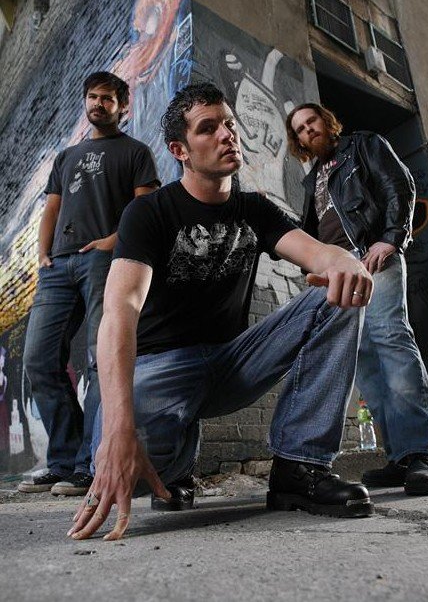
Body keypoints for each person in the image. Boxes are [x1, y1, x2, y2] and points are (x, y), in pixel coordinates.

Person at [67, 82, 374, 542]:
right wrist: (117, 430)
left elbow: (318, 254)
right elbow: (120, 310)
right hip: (161, 366)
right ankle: (176, 468)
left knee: (339, 294)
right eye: (208, 128)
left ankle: (299, 467)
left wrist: (344, 261)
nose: (227, 134)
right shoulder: (149, 212)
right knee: (118, 472)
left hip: (231, 362)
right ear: (180, 150)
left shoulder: (255, 209)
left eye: (229, 123)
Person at [286, 103, 428, 496]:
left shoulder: (363, 146)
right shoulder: (312, 181)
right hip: (337, 271)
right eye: (300, 129)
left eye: (311, 121)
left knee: (391, 339)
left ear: (326, 121)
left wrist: (391, 238)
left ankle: (422, 454)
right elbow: (312, 232)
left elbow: (399, 184)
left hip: (371, 255)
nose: (308, 131)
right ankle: (400, 457)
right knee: (365, 360)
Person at [18, 71, 160, 497]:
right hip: (57, 266)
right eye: (93, 97)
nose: (99, 103)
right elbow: (52, 207)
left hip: (103, 262)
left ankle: (89, 465)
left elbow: (145, 207)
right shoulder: (67, 157)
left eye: (108, 98)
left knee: (104, 360)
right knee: (38, 360)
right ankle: (64, 462)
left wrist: (112, 242)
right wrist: (42, 254)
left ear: (122, 106)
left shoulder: (135, 152)